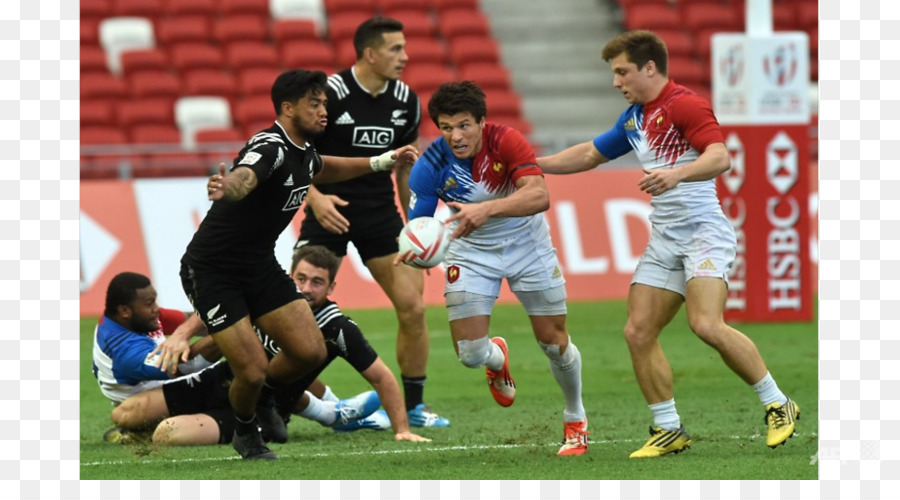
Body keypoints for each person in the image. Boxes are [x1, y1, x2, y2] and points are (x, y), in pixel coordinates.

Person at [536, 30, 800, 458]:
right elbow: (589, 154)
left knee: (705, 324)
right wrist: (529, 165)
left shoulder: (684, 104)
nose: (616, 81)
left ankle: (777, 402)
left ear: (650, 67)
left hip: (703, 233)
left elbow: (719, 156)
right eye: (614, 74)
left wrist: (676, 175)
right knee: (638, 331)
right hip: (666, 237)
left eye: (622, 72)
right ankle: (668, 427)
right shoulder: (635, 117)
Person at [154, 69, 419, 460]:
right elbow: (247, 175)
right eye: (315, 103)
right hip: (212, 270)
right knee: (252, 368)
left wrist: (381, 162)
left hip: (257, 264)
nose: (324, 111)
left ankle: (263, 400)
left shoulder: (305, 154)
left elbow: (326, 166)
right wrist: (228, 187)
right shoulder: (270, 145)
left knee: (310, 351)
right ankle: (246, 430)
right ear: (287, 108)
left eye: (325, 103)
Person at [400, 81, 589, 456]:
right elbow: (419, 224)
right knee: (470, 354)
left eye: (464, 125)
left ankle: (575, 417)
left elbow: (539, 195)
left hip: (527, 245)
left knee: (553, 341)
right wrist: (415, 248)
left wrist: (485, 209)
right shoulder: (430, 166)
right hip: (470, 251)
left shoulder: (507, 141)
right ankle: (496, 359)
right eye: (446, 127)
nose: (456, 136)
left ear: (482, 122)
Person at [295, 17, 449, 428]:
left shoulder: (406, 100)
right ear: (370, 53)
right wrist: (315, 197)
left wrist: (415, 225)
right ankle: (292, 399)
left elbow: (405, 171)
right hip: (328, 212)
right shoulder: (329, 93)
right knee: (296, 315)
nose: (406, 56)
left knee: (413, 308)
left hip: (381, 214)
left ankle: (414, 407)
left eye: (404, 47)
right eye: (396, 49)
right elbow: (294, 156)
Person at [266, 245, 430, 442]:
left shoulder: (337, 328)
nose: (306, 289)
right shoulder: (269, 302)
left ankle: (332, 412)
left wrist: (403, 430)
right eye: (301, 279)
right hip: (230, 384)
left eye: (317, 282)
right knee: (276, 362)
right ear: (290, 276)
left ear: (331, 288)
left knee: (289, 365)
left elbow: (382, 377)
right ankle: (333, 411)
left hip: (261, 410)